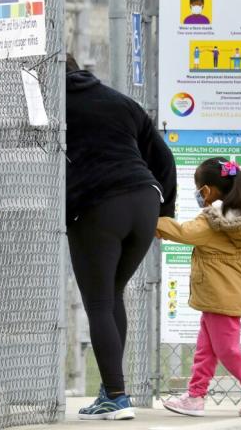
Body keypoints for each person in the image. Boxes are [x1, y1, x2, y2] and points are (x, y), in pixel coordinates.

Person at [66, 54, 177, 421]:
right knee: (112, 294)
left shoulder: (53, 107)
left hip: (99, 206)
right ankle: (111, 391)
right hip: (145, 199)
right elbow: (163, 156)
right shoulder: (121, 101)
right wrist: (167, 211)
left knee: (98, 302)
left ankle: (116, 396)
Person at [157, 158, 241, 418]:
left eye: (198, 188)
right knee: (205, 351)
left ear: (208, 191)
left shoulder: (214, 221)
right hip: (219, 299)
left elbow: (183, 232)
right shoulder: (237, 216)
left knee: (227, 350)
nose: (198, 194)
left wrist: (150, 220)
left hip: (221, 299)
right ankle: (195, 397)